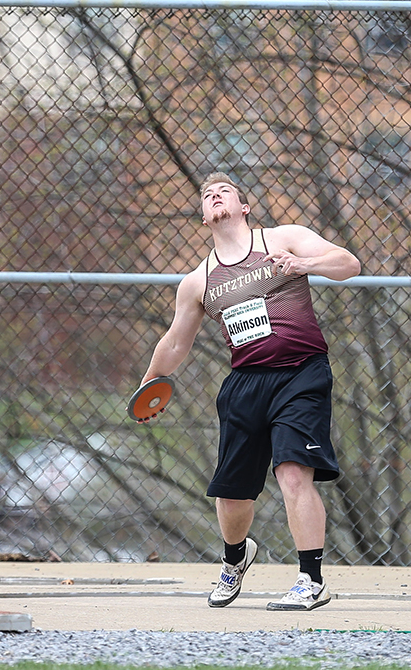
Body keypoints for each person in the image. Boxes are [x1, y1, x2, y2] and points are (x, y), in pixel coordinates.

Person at [138, 172, 361, 611]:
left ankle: (311, 580)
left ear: (244, 206)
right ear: (204, 216)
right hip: (245, 383)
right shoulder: (198, 281)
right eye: (206, 195)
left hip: (301, 373)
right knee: (232, 493)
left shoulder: (283, 239)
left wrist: (305, 265)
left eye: (224, 191)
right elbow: (176, 342)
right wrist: (149, 385)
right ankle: (236, 558)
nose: (214, 196)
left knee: (294, 472)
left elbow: (348, 264)